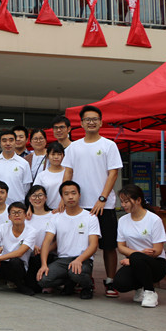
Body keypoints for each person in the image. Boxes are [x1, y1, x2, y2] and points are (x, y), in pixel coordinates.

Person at [62, 105, 122, 297]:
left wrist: (102, 198)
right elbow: (68, 173)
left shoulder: (109, 145)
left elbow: (113, 173)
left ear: (101, 122)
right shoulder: (74, 147)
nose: (91, 122)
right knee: (81, 245)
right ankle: (84, 280)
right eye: (87, 119)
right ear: (81, 123)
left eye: (95, 119)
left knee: (109, 245)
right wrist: (64, 197)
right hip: (79, 205)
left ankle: (110, 281)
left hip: (104, 205)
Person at [37, 181, 100, 299]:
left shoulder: (90, 217)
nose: (70, 197)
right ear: (62, 197)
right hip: (62, 260)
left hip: (83, 259)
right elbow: (46, 242)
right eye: (66, 194)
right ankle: (69, 282)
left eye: (73, 193)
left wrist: (79, 260)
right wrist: (44, 265)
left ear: (79, 195)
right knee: (43, 280)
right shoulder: (56, 217)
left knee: (76, 273)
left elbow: (93, 245)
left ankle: (88, 287)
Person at [114, 184, 166, 308]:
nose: (123, 205)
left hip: (156, 263)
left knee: (136, 258)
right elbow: (121, 247)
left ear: (138, 200)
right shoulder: (122, 220)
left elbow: (157, 250)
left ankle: (150, 292)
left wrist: (135, 257)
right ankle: (140, 288)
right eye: (122, 202)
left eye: (127, 201)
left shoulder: (154, 220)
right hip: (134, 262)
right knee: (119, 283)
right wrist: (136, 257)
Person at [0, 130, 32, 205]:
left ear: (15, 142)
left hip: (18, 206)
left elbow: (26, 188)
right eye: (4, 141)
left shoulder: (24, 163)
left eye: (11, 140)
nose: (8, 143)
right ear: (0, 143)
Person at [33, 142, 65, 210]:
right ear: (47, 156)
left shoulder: (68, 173)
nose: (56, 157)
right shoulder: (41, 175)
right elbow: (34, 194)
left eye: (59, 154)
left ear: (63, 156)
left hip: (66, 210)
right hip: (48, 211)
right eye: (53, 154)